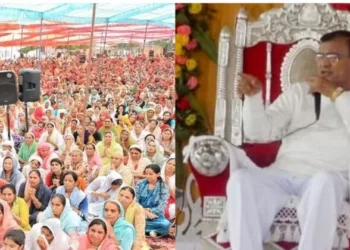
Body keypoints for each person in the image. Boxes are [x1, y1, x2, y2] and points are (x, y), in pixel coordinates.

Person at [225, 30, 350, 250]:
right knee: (241, 180)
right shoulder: (300, 92)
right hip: (282, 174)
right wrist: (253, 99)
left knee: (325, 181)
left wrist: (335, 94)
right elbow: (259, 133)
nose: (324, 64)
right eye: (320, 57)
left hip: (330, 177)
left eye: (333, 57)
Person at [135, 164, 171, 237]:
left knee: (165, 225)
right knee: (131, 219)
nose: (147, 176)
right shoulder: (140, 183)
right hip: (138, 213)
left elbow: (161, 207)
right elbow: (135, 201)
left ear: (158, 174)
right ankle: (149, 232)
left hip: (154, 216)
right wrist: (144, 212)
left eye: (150, 174)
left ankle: (141, 230)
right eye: (146, 174)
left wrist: (149, 211)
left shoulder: (163, 187)